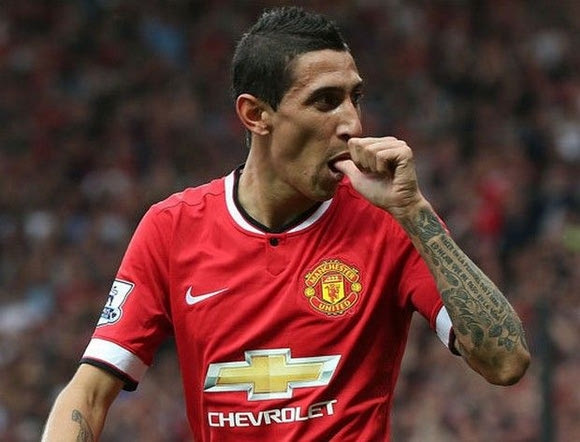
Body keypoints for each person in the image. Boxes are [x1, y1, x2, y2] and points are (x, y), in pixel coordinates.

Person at [42, 6, 530, 441]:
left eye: (355, 97)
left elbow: (506, 362)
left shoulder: (390, 220)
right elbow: (87, 394)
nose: (352, 124)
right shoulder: (172, 228)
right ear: (256, 114)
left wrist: (416, 212)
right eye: (325, 101)